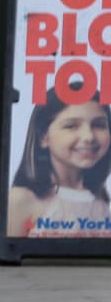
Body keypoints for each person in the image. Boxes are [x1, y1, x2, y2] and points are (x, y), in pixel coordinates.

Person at [8, 84, 111, 238]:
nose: (89, 136)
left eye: (99, 125)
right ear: (43, 136)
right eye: (71, 126)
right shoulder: (21, 199)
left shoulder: (101, 199)